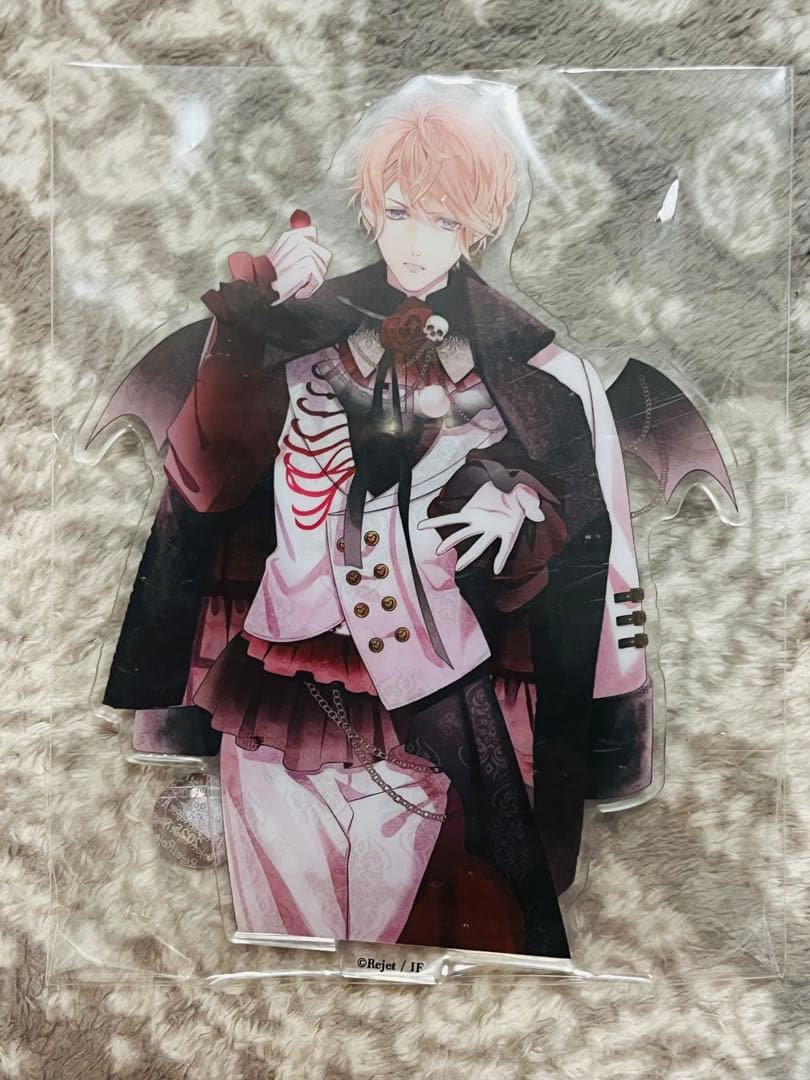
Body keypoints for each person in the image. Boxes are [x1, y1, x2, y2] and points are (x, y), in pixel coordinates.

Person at [102, 85, 650, 959]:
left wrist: (521, 509)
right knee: (287, 939)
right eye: (399, 211)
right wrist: (252, 320)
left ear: (479, 224)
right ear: (369, 207)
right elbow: (205, 480)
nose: (417, 239)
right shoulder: (296, 336)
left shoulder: (539, 367)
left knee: (452, 921)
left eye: (444, 218)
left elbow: (595, 546)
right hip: (277, 671)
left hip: (438, 689)